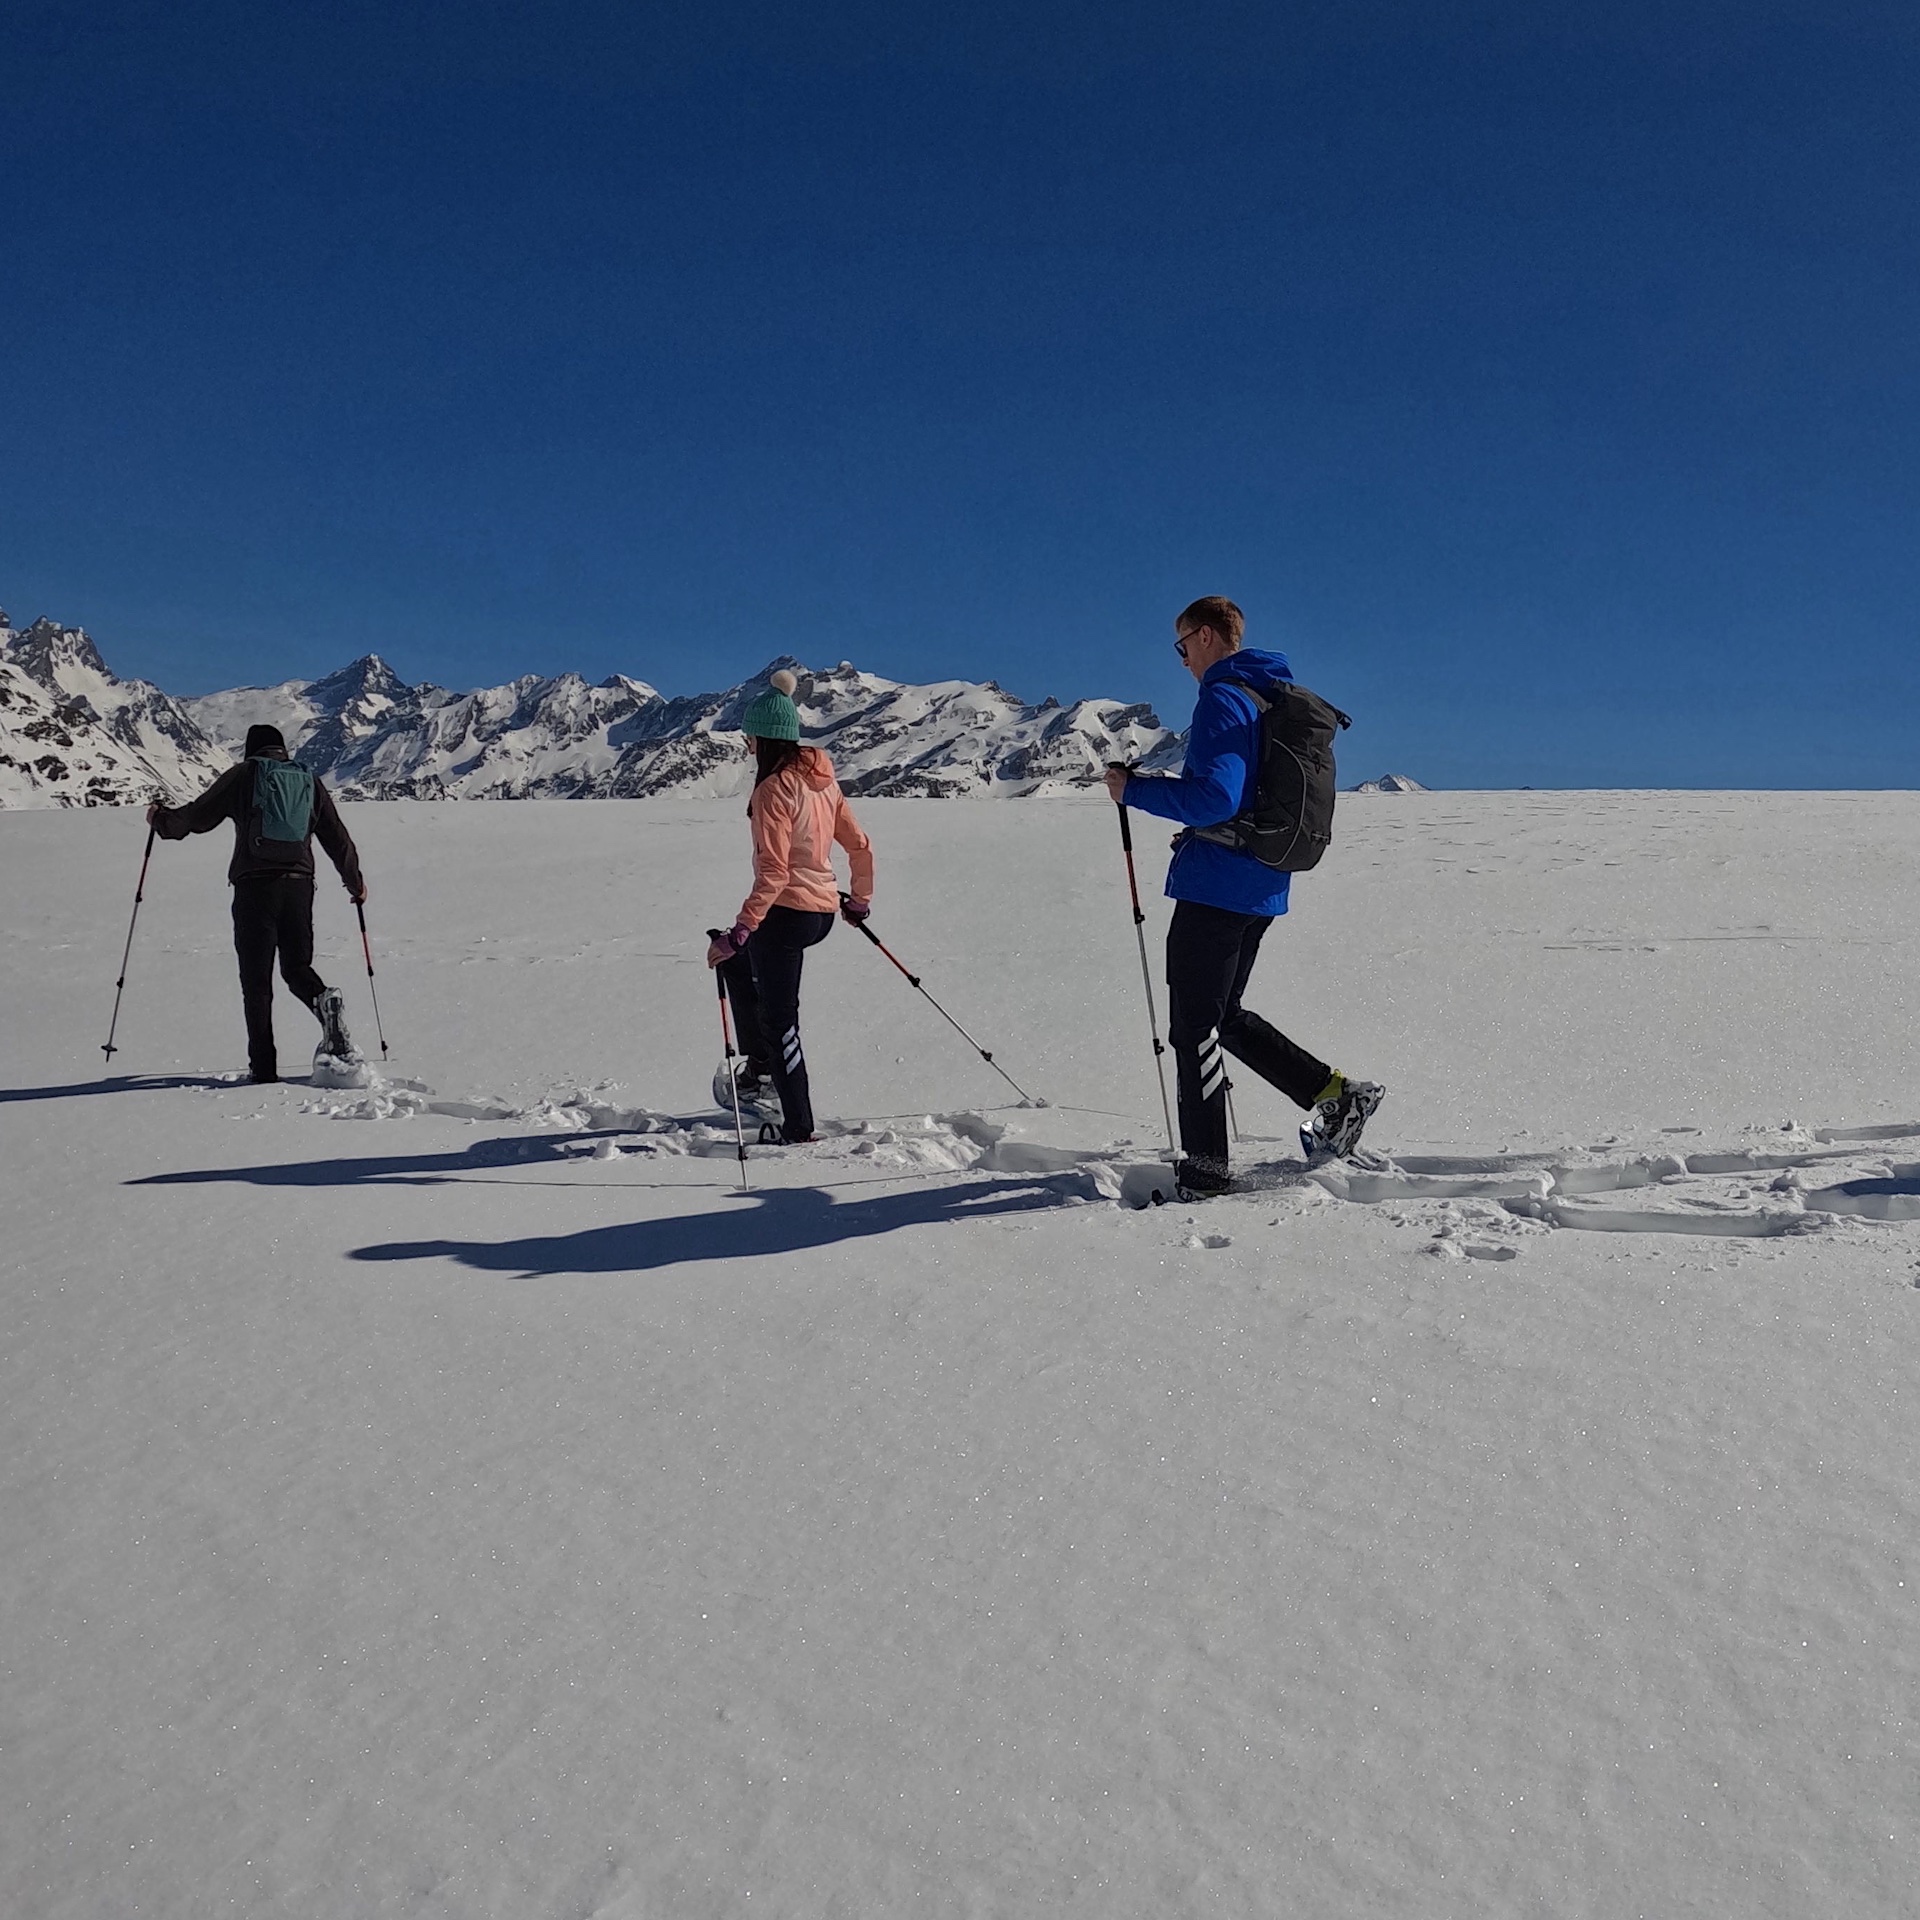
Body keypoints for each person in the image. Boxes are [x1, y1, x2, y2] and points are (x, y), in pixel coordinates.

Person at [1104, 597, 1382, 1195]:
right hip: (1259, 884)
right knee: (1223, 1017)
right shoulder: (1265, 695)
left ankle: (1206, 1171)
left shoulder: (1224, 697)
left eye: (1182, 647)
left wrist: (1134, 791)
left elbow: (1215, 799)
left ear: (1205, 637)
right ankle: (1335, 1095)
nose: (1181, 661)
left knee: (1194, 1031)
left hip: (1216, 886)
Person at [706, 670, 874, 1144]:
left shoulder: (773, 790)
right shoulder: (822, 782)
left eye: (750, 738)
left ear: (765, 739)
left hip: (788, 914)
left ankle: (798, 1125)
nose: (747, 747)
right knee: (737, 963)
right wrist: (858, 900)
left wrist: (740, 929)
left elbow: (775, 873)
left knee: (781, 1018)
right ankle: (759, 1071)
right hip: (819, 913)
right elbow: (859, 846)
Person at [147, 723, 367, 1084]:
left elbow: (198, 817)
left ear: (251, 750)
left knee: (257, 982)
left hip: (254, 888)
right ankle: (323, 999)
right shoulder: (308, 780)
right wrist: (355, 883)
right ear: (282, 749)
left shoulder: (245, 775)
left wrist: (160, 820)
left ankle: (263, 1070)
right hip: (299, 887)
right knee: (296, 967)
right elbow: (337, 837)